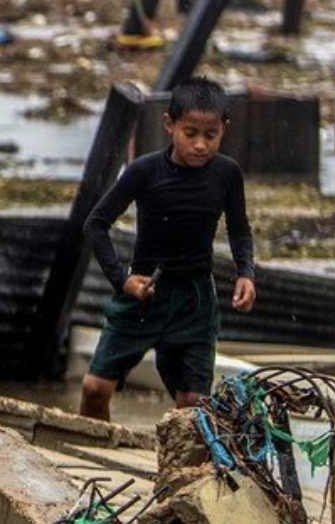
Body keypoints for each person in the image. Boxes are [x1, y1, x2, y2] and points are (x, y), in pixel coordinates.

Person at [78, 76, 257, 421]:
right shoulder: (145, 171)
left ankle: (182, 473)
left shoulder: (227, 174)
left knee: (193, 404)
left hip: (195, 300)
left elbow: (239, 229)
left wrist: (245, 273)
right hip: (142, 293)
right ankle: (91, 451)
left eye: (211, 135)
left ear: (224, 129)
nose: (201, 145)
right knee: (94, 388)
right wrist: (122, 279)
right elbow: (96, 224)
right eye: (190, 134)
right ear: (169, 125)